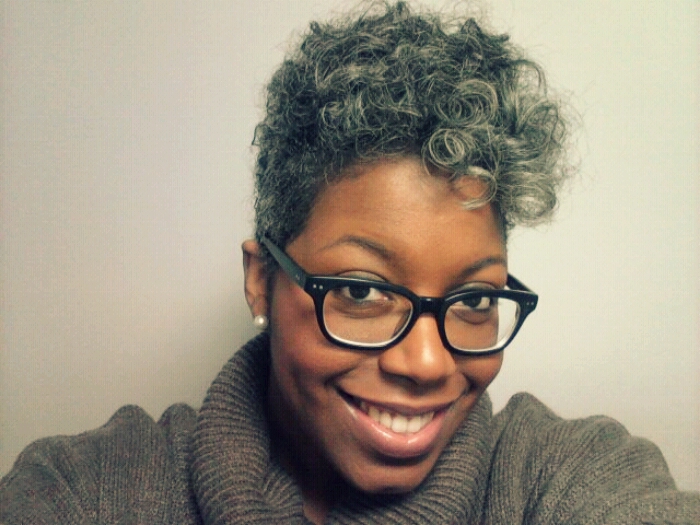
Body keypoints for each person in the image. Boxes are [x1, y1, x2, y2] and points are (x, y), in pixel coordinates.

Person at [1, 2, 698, 523]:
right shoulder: (85, 491)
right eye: (363, 292)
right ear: (262, 281)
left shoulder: (572, 479)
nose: (427, 363)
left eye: (475, 300)